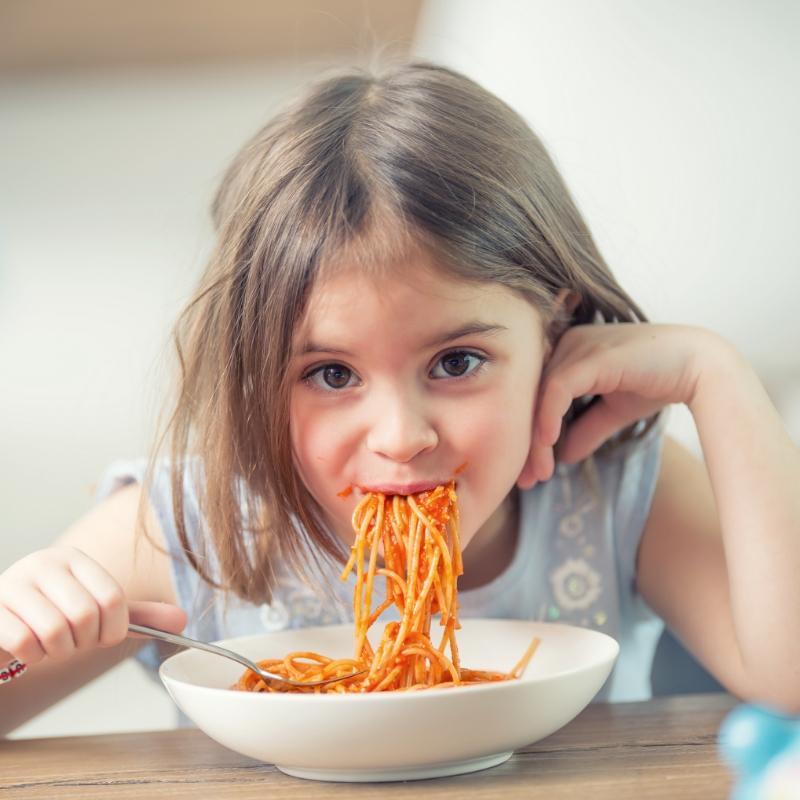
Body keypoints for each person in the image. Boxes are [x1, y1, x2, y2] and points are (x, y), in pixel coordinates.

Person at [2, 60, 799, 736]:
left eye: (456, 361)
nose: (401, 436)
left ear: (554, 323)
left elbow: (789, 680)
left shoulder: (617, 487)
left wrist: (714, 376)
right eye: (333, 375)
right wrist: (16, 629)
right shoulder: (195, 523)